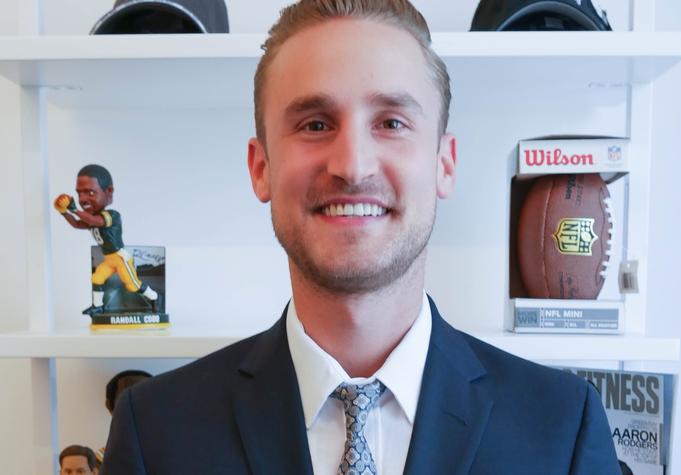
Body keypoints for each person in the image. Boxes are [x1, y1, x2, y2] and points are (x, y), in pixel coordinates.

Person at [102, 1, 620, 473]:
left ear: (443, 163)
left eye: (392, 122)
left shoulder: (561, 429)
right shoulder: (155, 430)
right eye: (314, 124)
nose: (352, 165)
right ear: (261, 168)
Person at [54, 164, 160, 316]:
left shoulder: (112, 215)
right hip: (109, 259)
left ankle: (155, 298)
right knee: (97, 278)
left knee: (132, 286)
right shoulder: (91, 218)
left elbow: (95, 222)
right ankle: (97, 306)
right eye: (79, 194)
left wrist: (73, 210)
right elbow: (77, 224)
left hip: (120, 257)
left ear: (108, 191)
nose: (83, 199)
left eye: (90, 192)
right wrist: (64, 213)